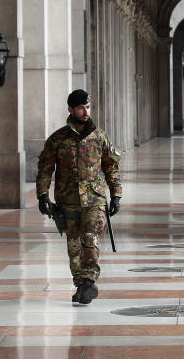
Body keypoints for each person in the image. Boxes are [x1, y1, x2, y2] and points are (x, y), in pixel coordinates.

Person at [36, 89, 122, 305]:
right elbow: (45, 169)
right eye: (81, 108)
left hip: (94, 200)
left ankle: (90, 279)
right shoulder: (58, 139)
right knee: (74, 246)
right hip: (68, 201)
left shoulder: (100, 137)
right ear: (71, 109)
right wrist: (42, 195)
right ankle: (82, 284)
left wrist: (116, 195)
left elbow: (111, 167)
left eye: (88, 107)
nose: (85, 112)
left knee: (90, 238)